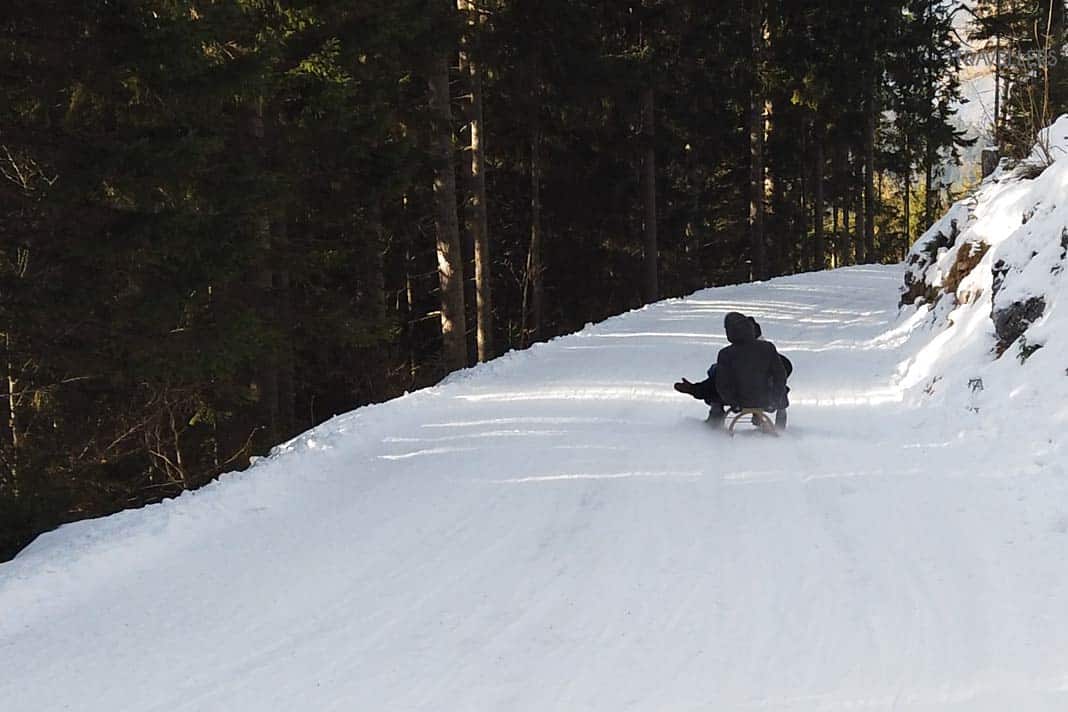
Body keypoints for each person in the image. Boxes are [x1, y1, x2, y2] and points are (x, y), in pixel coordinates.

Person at [674, 312, 791, 427]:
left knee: (715, 376)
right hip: (766, 398)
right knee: (776, 379)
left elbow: (721, 385)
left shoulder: (726, 354)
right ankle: (780, 418)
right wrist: (775, 399)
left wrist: (734, 403)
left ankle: (715, 414)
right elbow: (781, 374)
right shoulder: (768, 348)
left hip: (739, 400)